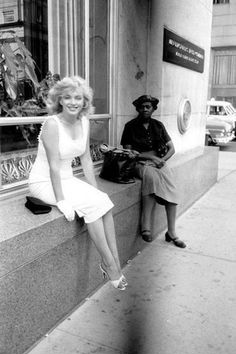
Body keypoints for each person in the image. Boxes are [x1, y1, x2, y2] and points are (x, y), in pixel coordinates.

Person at [28, 76, 127, 290]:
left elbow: (86, 159)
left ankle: (116, 261)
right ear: (60, 100)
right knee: (93, 206)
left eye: (78, 98)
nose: (73, 102)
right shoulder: (52, 125)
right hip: (44, 181)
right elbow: (54, 166)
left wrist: (94, 188)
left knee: (104, 201)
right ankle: (109, 265)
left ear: (84, 101)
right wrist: (61, 201)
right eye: (68, 97)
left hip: (67, 178)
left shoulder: (84, 121)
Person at [120, 95, 186, 248]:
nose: (145, 109)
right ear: (137, 108)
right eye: (142, 107)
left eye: (148, 107)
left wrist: (162, 160)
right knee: (151, 178)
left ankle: (171, 232)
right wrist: (150, 158)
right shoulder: (130, 126)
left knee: (172, 188)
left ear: (153, 109)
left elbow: (172, 148)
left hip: (158, 163)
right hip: (138, 163)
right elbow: (128, 153)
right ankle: (146, 227)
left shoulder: (159, 125)